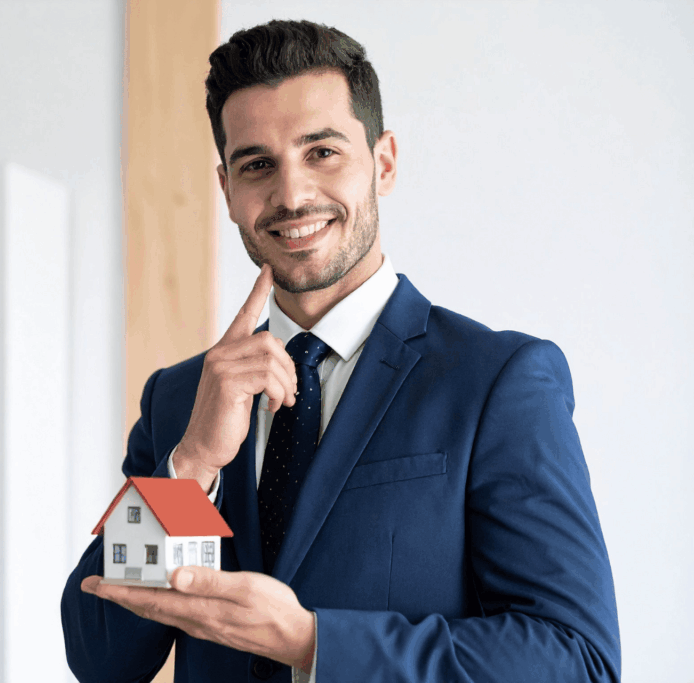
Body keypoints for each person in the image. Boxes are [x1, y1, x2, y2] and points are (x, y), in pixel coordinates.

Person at [61, 18, 620, 683]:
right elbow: (100, 655)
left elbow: (576, 658)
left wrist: (311, 642)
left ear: (383, 162)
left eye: (321, 151)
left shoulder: (497, 382)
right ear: (228, 191)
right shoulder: (181, 399)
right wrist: (188, 468)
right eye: (257, 165)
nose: (292, 195)